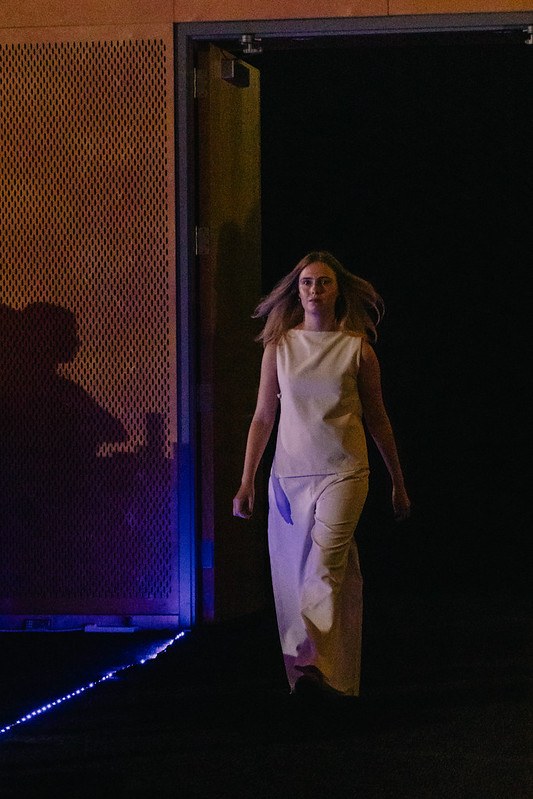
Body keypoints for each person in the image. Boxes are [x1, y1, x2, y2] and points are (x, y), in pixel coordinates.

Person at [232, 251, 411, 699]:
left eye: (323, 282)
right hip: (289, 478)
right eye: (307, 282)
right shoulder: (280, 347)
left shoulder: (357, 350)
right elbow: (262, 416)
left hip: (345, 473)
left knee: (323, 566)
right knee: (294, 579)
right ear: (298, 290)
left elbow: (379, 419)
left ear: (337, 291)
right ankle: (322, 675)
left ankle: (313, 661)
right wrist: (246, 480)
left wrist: (398, 482)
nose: (314, 290)